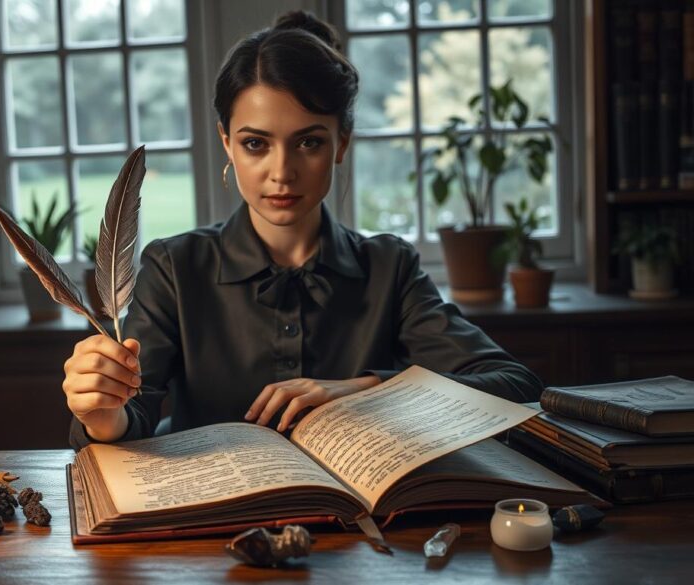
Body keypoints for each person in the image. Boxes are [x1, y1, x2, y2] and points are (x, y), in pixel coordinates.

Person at [62, 10, 543, 451]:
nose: (282, 172)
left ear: (341, 144)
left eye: (309, 142)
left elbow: (514, 384)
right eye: (255, 144)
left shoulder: (390, 267)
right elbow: (132, 414)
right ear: (226, 143)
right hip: (211, 529)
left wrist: (365, 389)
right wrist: (102, 413)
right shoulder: (174, 267)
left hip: (360, 529)